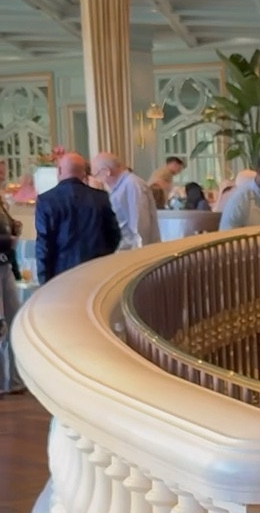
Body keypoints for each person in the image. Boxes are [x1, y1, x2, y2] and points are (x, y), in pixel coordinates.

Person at [35, 152, 122, 284]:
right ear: (84, 173)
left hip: (61, 274)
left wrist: (44, 280)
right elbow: (114, 235)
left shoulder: (46, 200)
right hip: (96, 271)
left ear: (59, 171)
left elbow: (44, 244)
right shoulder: (100, 198)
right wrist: (103, 256)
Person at [91, 152, 161, 248]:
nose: (96, 179)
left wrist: (139, 253)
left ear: (107, 171)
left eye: (96, 174)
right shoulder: (119, 188)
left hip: (137, 252)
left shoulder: (132, 185)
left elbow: (140, 225)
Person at [0, 189, 24, 393]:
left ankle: (16, 380)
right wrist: (8, 240)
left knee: (15, 320)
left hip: (5, 265)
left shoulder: (2, 204)